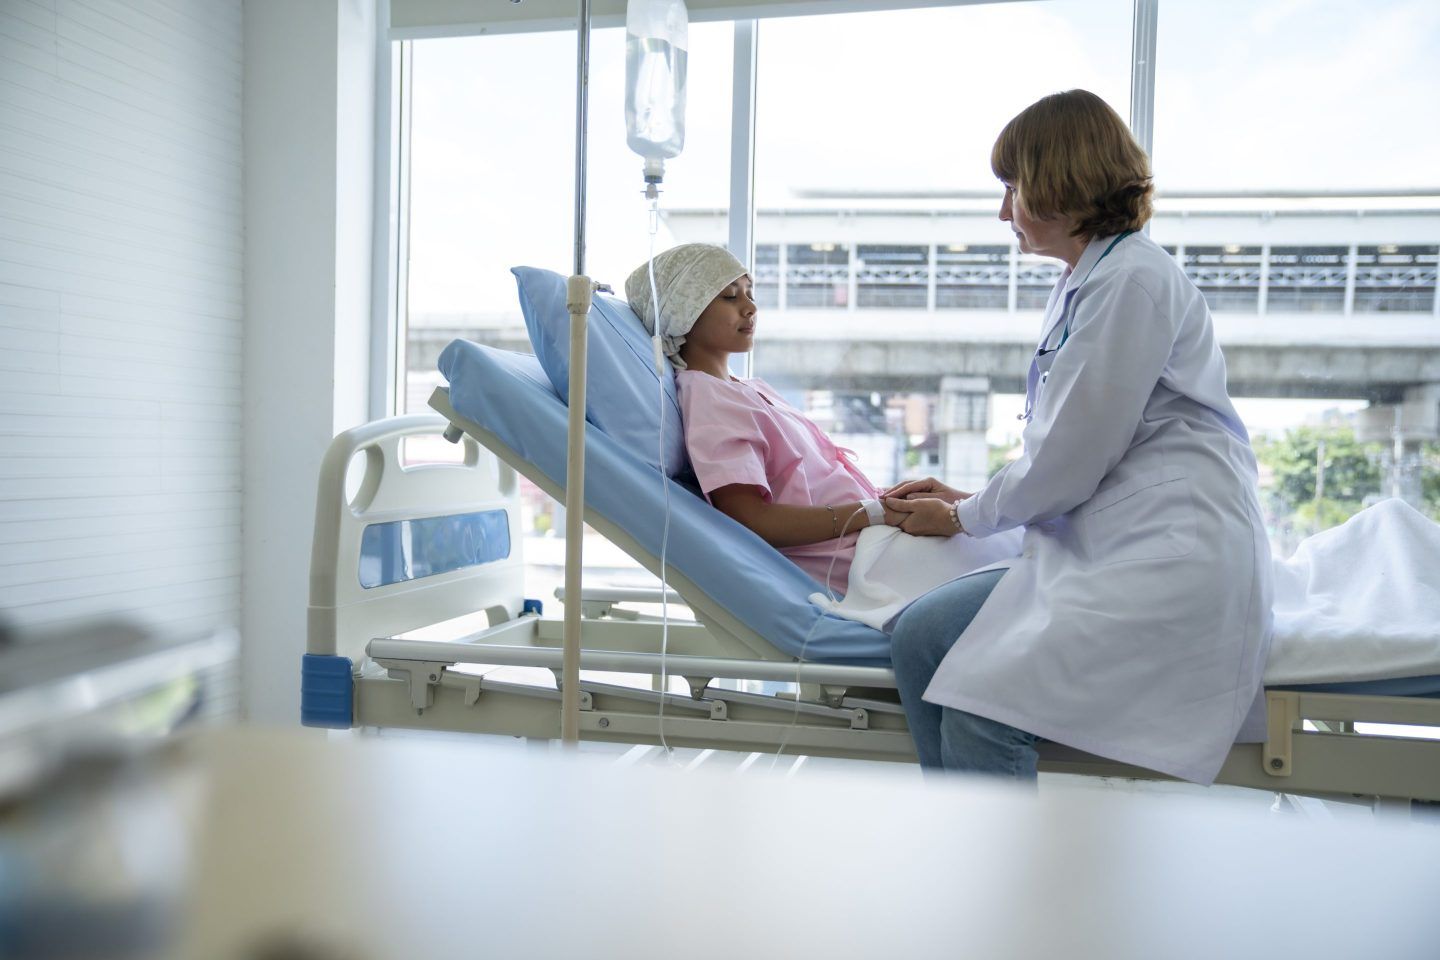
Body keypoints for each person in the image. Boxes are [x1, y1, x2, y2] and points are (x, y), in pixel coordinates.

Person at [881, 89, 1273, 786]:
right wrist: (974, 499)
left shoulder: (1133, 281)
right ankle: (951, 842)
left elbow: (1071, 458)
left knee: (983, 701)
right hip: (1110, 541)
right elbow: (1068, 442)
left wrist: (963, 516)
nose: (1004, 211)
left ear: (1061, 182)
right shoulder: (1088, 279)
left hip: (1166, 558)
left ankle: (999, 888)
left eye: (1013, 188)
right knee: (922, 635)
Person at [624, 243, 904, 595]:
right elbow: (751, 519)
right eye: (729, 296)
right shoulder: (711, 401)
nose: (751, 307)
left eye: (750, 293)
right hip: (856, 562)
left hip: (872, 542)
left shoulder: (742, 389)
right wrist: (874, 512)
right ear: (684, 310)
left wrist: (890, 501)